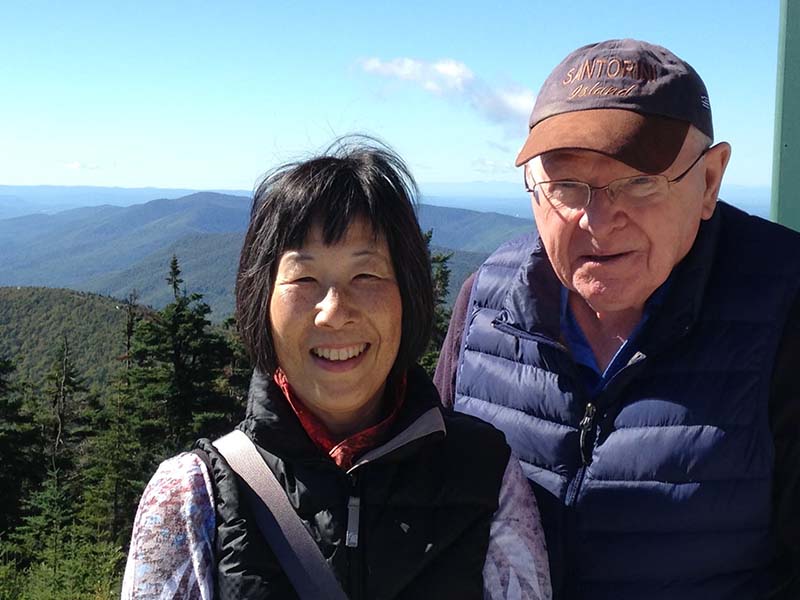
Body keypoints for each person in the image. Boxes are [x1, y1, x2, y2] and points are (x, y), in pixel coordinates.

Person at [435, 39, 800, 600]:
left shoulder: (784, 310)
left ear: (710, 181)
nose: (597, 220)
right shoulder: (486, 302)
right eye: (564, 186)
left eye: (638, 181)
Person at [121, 137, 552, 599]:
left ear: (408, 295)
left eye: (365, 275)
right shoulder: (192, 499)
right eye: (303, 279)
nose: (334, 310)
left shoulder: (486, 474)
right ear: (260, 302)